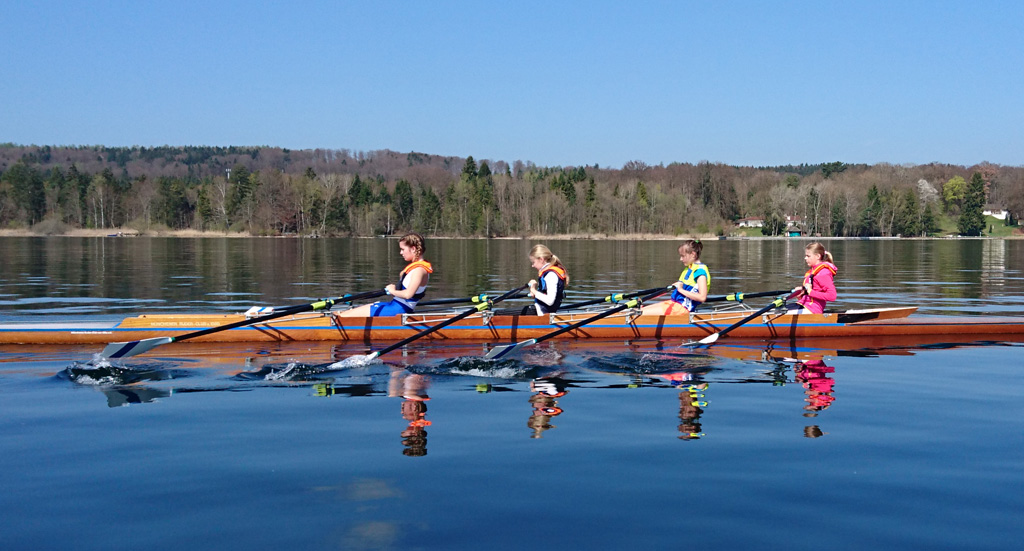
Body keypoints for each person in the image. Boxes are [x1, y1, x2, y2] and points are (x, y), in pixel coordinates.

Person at [336, 233, 432, 317]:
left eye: (403, 249)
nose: (400, 252)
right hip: (393, 306)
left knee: (343, 316)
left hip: (397, 310)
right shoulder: (416, 268)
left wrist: (392, 290)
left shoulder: (419, 270)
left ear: (413, 249)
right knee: (344, 313)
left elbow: (407, 295)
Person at [641, 239, 710, 316]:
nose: (680, 259)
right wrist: (678, 284)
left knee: (638, 314)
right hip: (675, 304)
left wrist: (680, 289)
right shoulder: (690, 267)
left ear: (693, 254)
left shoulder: (700, 273)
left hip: (681, 309)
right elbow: (688, 284)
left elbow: (702, 297)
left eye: (683, 256)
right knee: (639, 310)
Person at [791, 242, 837, 314]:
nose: (805, 258)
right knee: (775, 311)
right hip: (804, 305)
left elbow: (832, 296)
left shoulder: (823, 273)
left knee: (774, 314)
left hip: (813, 310)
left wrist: (810, 292)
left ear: (817, 256)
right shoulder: (812, 271)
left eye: (808, 256)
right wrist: (802, 293)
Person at [525, 244, 569, 315]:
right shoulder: (548, 273)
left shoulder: (551, 275)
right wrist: (535, 294)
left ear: (541, 259)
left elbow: (550, 301)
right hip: (541, 310)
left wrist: (533, 290)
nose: (532, 266)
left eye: (533, 262)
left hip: (543, 313)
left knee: (501, 314)